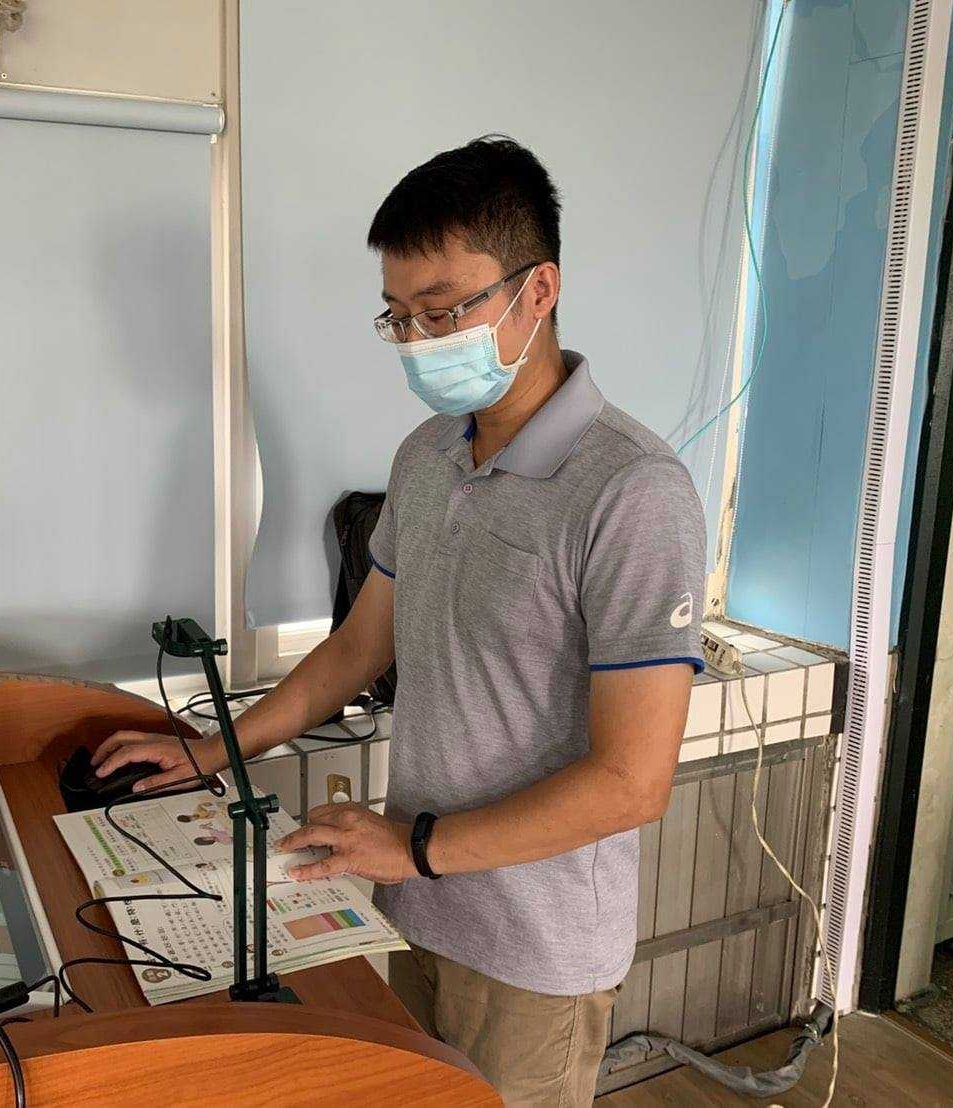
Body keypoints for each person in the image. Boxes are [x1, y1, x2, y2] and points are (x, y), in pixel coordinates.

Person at [93, 135, 705, 1105]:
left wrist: (412, 846)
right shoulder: (426, 457)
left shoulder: (633, 491)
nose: (419, 340)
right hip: (415, 906)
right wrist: (213, 749)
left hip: (533, 950)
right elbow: (357, 646)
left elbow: (632, 782)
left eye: (443, 310)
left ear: (538, 290)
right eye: (399, 316)